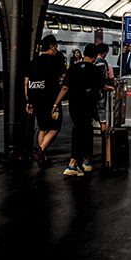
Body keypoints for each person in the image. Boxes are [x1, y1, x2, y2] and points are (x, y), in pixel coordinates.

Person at [52, 43, 104, 177]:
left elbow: (65, 88)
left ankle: (81, 161)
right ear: (95, 56)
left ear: (84, 53)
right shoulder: (96, 70)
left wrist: (56, 103)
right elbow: (101, 88)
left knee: (78, 129)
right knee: (86, 131)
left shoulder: (73, 68)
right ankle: (77, 162)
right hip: (88, 104)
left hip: (74, 104)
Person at [24, 33, 67, 167]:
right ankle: (40, 150)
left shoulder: (33, 62)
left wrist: (28, 100)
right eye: (56, 46)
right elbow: (63, 78)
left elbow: (26, 82)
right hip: (50, 99)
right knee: (55, 127)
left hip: (35, 99)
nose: (56, 49)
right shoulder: (55, 61)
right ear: (52, 46)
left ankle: (44, 158)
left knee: (43, 128)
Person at [93, 42, 116, 132]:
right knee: (102, 112)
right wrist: (106, 87)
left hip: (95, 91)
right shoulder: (101, 63)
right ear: (104, 52)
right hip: (100, 92)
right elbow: (101, 77)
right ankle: (104, 133)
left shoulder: (94, 61)